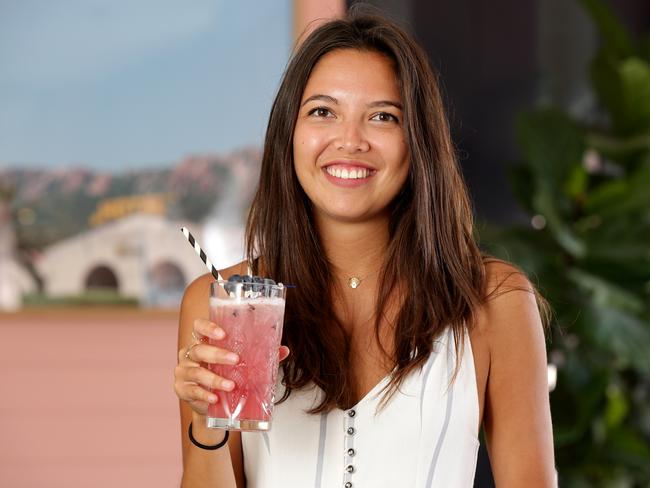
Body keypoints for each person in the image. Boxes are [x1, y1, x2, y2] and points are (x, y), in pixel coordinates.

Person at [173, 8, 555, 488]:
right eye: (323, 112)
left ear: (417, 141)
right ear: (288, 133)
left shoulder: (496, 301)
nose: (349, 141)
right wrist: (207, 420)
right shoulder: (224, 303)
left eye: (382, 116)